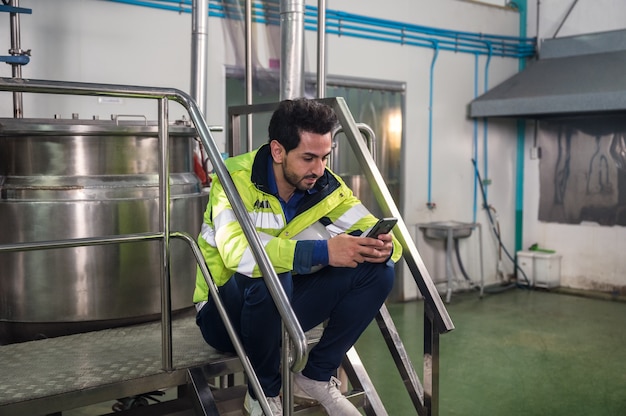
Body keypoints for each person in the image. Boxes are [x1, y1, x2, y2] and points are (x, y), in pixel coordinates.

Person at [194, 98, 402, 416]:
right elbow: (238, 253)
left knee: (379, 270)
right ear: (278, 151)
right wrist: (324, 252)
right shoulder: (234, 179)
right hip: (224, 314)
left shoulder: (324, 185)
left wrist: (383, 246)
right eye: (308, 158)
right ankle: (264, 393)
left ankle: (314, 376)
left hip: (281, 312)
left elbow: (378, 233)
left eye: (324, 157)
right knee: (268, 272)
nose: (319, 169)